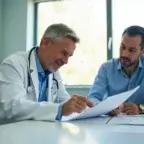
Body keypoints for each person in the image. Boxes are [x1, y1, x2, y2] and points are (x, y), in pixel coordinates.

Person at [0, 23, 93, 122]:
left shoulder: (53, 72)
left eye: (69, 56)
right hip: (11, 133)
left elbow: (65, 101)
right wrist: (60, 109)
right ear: (45, 43)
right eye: (64, 53)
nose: (66, 61)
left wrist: (90, 109)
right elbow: (12, 108)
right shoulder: (14, 64)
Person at [88, 25, 144, 115]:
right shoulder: (107, 68)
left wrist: (140, 108)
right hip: (112, 123)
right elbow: (92, 98)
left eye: (132, 50)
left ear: (142, 51)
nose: (124, 54)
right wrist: (107, 108)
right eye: (123, 47)